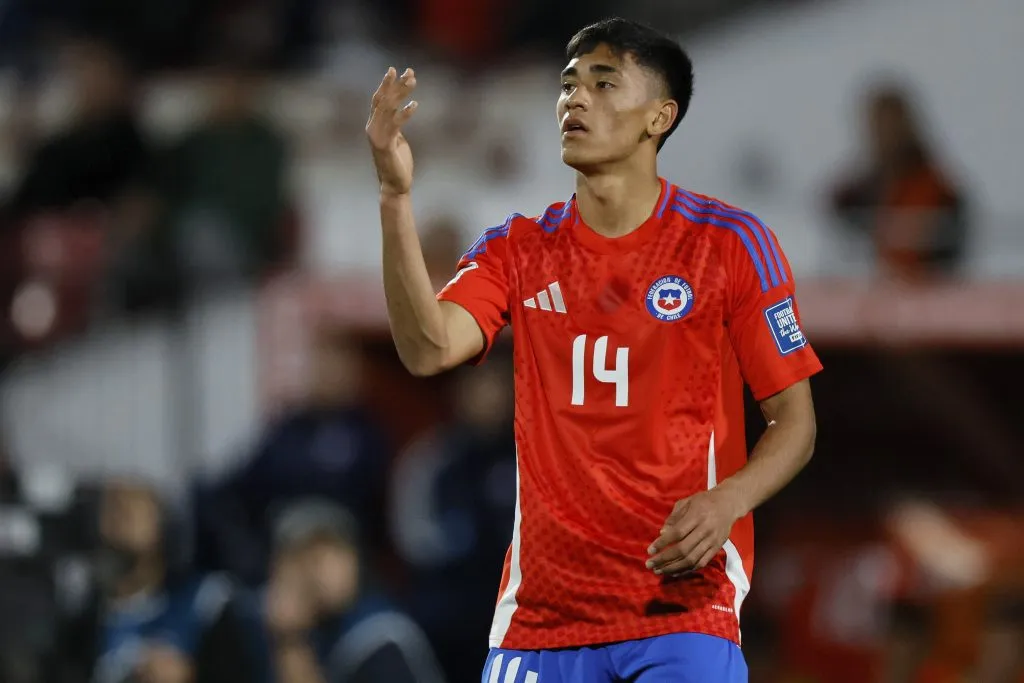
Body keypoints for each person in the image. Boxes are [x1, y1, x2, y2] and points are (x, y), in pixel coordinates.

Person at [366, 16, 821, 683]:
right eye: (568, 84)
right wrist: (394, 196)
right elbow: (429, 349)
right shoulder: (518, 248)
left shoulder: (729, 244)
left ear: (658, 117)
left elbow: (795, 421)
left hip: (680, 612)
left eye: (604, 83)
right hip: (539, 624)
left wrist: (729, 499)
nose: (575, 99)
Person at [236, 498, 445, 683]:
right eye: (307, 556)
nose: (322, 571)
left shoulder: (380, 637)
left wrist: (291, 642)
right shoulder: (256, 623)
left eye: (333, 551)